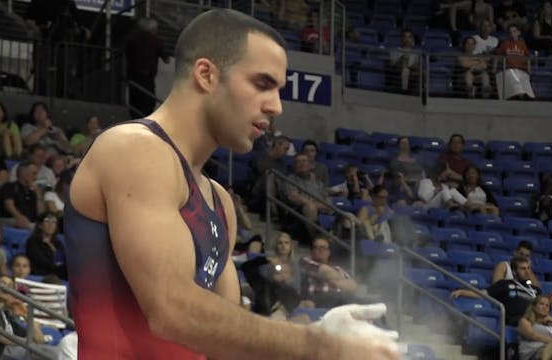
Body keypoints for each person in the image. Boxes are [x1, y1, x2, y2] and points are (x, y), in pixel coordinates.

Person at [64, 9, 400, 360]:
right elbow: (170, 310)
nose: (276, 107)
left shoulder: (220, 202)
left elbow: (227, 348)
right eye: (262, 84)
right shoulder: (135, 148)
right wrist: (320, 344)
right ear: (207, 75)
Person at [125, 18, 171, 118]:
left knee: (134, 102)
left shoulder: (132, 39)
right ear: (153, 29)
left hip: (133, 77)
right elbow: (167, 60)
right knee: (148, 103)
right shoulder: (156, 41)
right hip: (147, 77)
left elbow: (126, 54)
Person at [517, 295, 552, 360]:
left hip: (551, 352)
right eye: (541, 304)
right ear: (534, 307)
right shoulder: (525, 321)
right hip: (532, 353)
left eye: (547, 306)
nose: (544, 307)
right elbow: (532, 335)